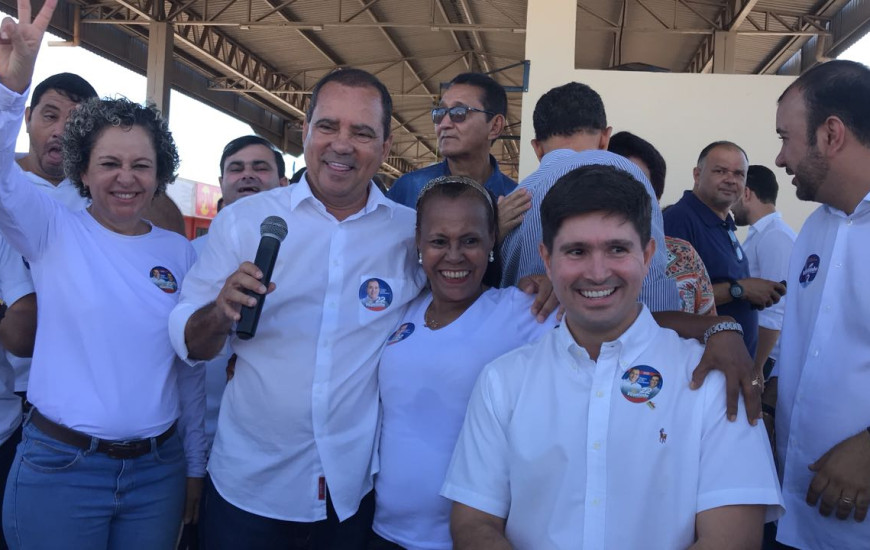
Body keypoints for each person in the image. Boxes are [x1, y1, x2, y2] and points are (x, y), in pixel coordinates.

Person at [442, 165, 783, 549]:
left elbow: (732, 538)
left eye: (617, 249)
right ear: (547, 259)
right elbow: (473, 524)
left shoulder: (715, 380)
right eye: (577, 251)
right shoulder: (502, 382)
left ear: (649, 254)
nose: (598, 272)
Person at [170, 67, 426, 549]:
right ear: (305, 133)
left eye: (362, 132)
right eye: (328, 126)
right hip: (247, 490)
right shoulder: (245, 223)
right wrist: (219, 310)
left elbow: (459, 295)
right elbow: (190, 340)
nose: (342, 144)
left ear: (386, 148)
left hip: (350, 495)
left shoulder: (409, 234)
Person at [0, 2, 203, 547]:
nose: (126, 179)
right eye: (109, 164)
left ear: (160, 174)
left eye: (141, 165)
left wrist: (193, 467)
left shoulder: (179, 254)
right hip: (62, 469)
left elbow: (188, 376)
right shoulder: (52, 230)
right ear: (83, 172)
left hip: (155, 474)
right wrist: (12, 84)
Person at [371, 175, 556, 550]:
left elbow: (617, 329)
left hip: (465, 539)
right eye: (439, 241)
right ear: (419, 244)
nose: (454, 256)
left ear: (492, 241)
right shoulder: (403, 310)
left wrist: (709, 330)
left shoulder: (522, 310)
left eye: (470, 240)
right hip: (381, 532)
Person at [772, 59, 870, 548]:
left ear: (831, 134)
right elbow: (807, 347)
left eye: (786, 137)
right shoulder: (816, 228)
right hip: (798, 514)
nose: (779, 159)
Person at [664, 141, 786, 358]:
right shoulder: (680, 220)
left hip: (733, 368)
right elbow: (673, 303)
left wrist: (754, 294)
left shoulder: (724, 222)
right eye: (720, 171)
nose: (730, 180)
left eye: (739, 174)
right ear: (697, 174)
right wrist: (740, 290)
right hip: (700, 370)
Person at [385, 73, 530, 241]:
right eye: (440, 113)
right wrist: (492, 233)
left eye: (459, 112)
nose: (444, 124)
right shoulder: (409, 189)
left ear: (495, 126)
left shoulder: (515, 202)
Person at [608, 130, 717, 316]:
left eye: (634, 186)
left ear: (655, 200)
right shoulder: (572, 258)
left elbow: (710, 327)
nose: (621, 196)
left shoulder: (684, 256)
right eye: (611, 183)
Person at [730, 164, 795, 377]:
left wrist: (756, 367)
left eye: (735, 195)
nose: (730, 205)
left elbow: (775, 309)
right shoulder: (763, 234)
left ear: (747, 193)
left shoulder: (775, 237)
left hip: (767, 361)